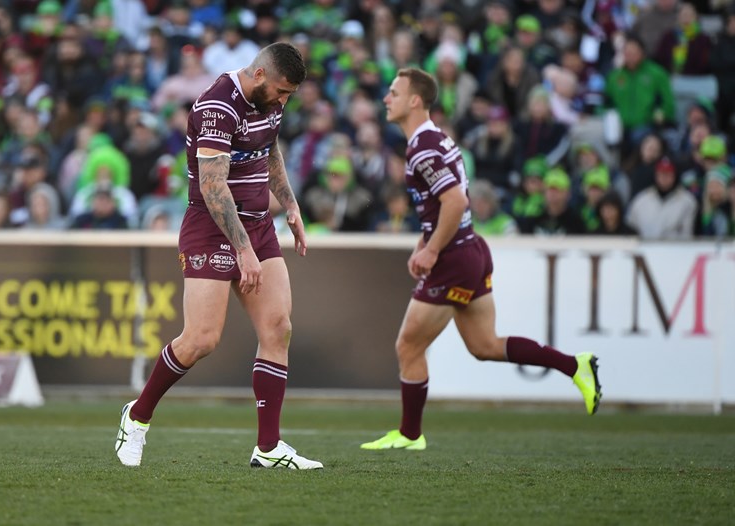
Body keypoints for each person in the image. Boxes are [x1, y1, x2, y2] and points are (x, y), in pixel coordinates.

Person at [361, 69, 602, 451]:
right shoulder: (437, 139)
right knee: (485, 346)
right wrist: (423, 243)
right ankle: (576, 366)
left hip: (454, 257)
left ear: (415, 101)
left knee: (408, 346)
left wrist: (433, 249)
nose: (386, 99)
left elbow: (456, 201)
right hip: (470, 249)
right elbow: (442, 203)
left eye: (393, 92)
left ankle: (410, 434)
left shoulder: (423, 147)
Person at [115, 43, 322, 470]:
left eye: (290, 96)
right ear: (260, 74)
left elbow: (270, 149)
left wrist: (290, 204)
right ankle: (137, 417)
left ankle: (268, 448)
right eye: (282, 91)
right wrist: (243, 250)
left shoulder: (270, 101)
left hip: (259, 224)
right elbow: (212, 187)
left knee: (277, 327)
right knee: (201, 340)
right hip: (212, 228)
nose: (285, 101)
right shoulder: (216, 106)